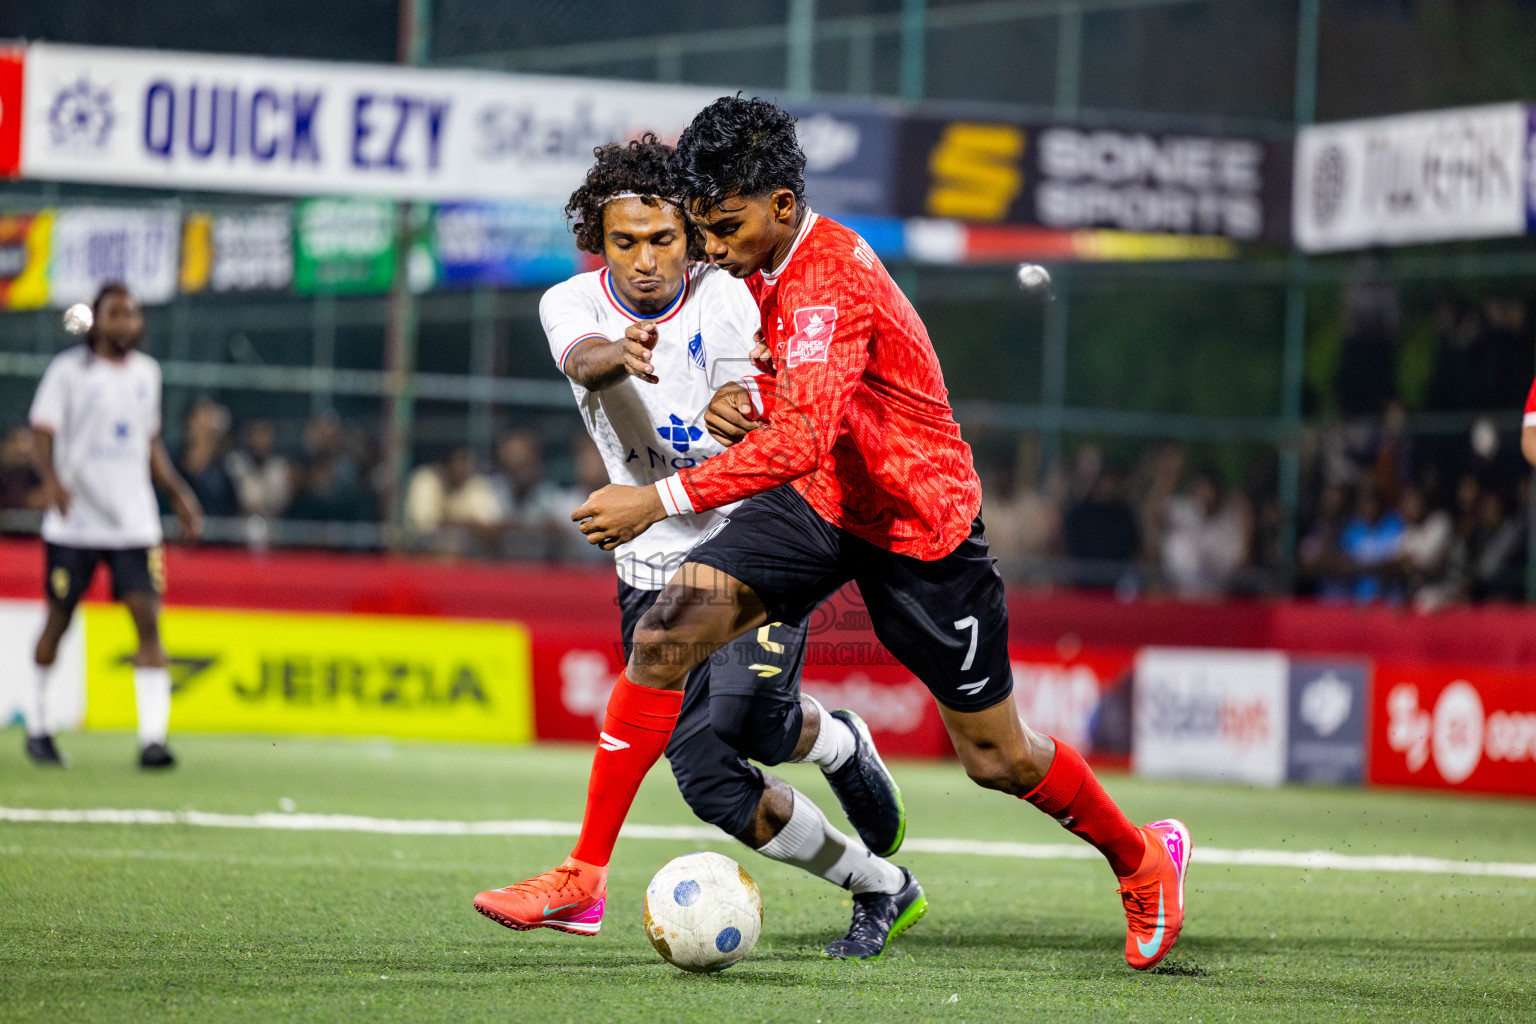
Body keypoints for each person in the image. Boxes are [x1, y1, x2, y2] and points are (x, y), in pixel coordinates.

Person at [490, 99, 1190, 971]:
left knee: (995, 757)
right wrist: (752, 398)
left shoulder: (827, 275)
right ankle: (584, 876)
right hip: (823, 507)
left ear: (782, 205)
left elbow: (803, 439)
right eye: (703, 230)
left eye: (724, 228)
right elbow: (807, 407)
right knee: (668, 633)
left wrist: (656, 499)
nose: (712, 249)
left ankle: (1142, 858)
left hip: (916, 526)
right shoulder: (756, 262)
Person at [474, 134, 917, 960]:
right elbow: (585, 359)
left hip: (749, 539)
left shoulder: (726, 295)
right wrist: (616, 355)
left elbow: (743, 385)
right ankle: (882, 883)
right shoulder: (569, 302)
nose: (645, 261)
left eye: (663, 238)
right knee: (713, 785)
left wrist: (737, 401)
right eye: (624, 242)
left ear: (690, 233)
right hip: (648, 565)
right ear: (599, 242)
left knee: (751, 721)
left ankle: (831, 745)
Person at [24, 283, 203, 768]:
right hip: (75, 523)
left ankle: (153, 739)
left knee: (148, 621)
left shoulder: (148, 373)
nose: (126, 322)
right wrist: (52, 482)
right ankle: (39, 726)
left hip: (133, 523)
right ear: (98, 320)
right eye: (116, 313)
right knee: (58, 620)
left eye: (133, 313)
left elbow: (150, 443)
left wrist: (179, 494)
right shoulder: (68, 371)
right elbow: (41, 432)